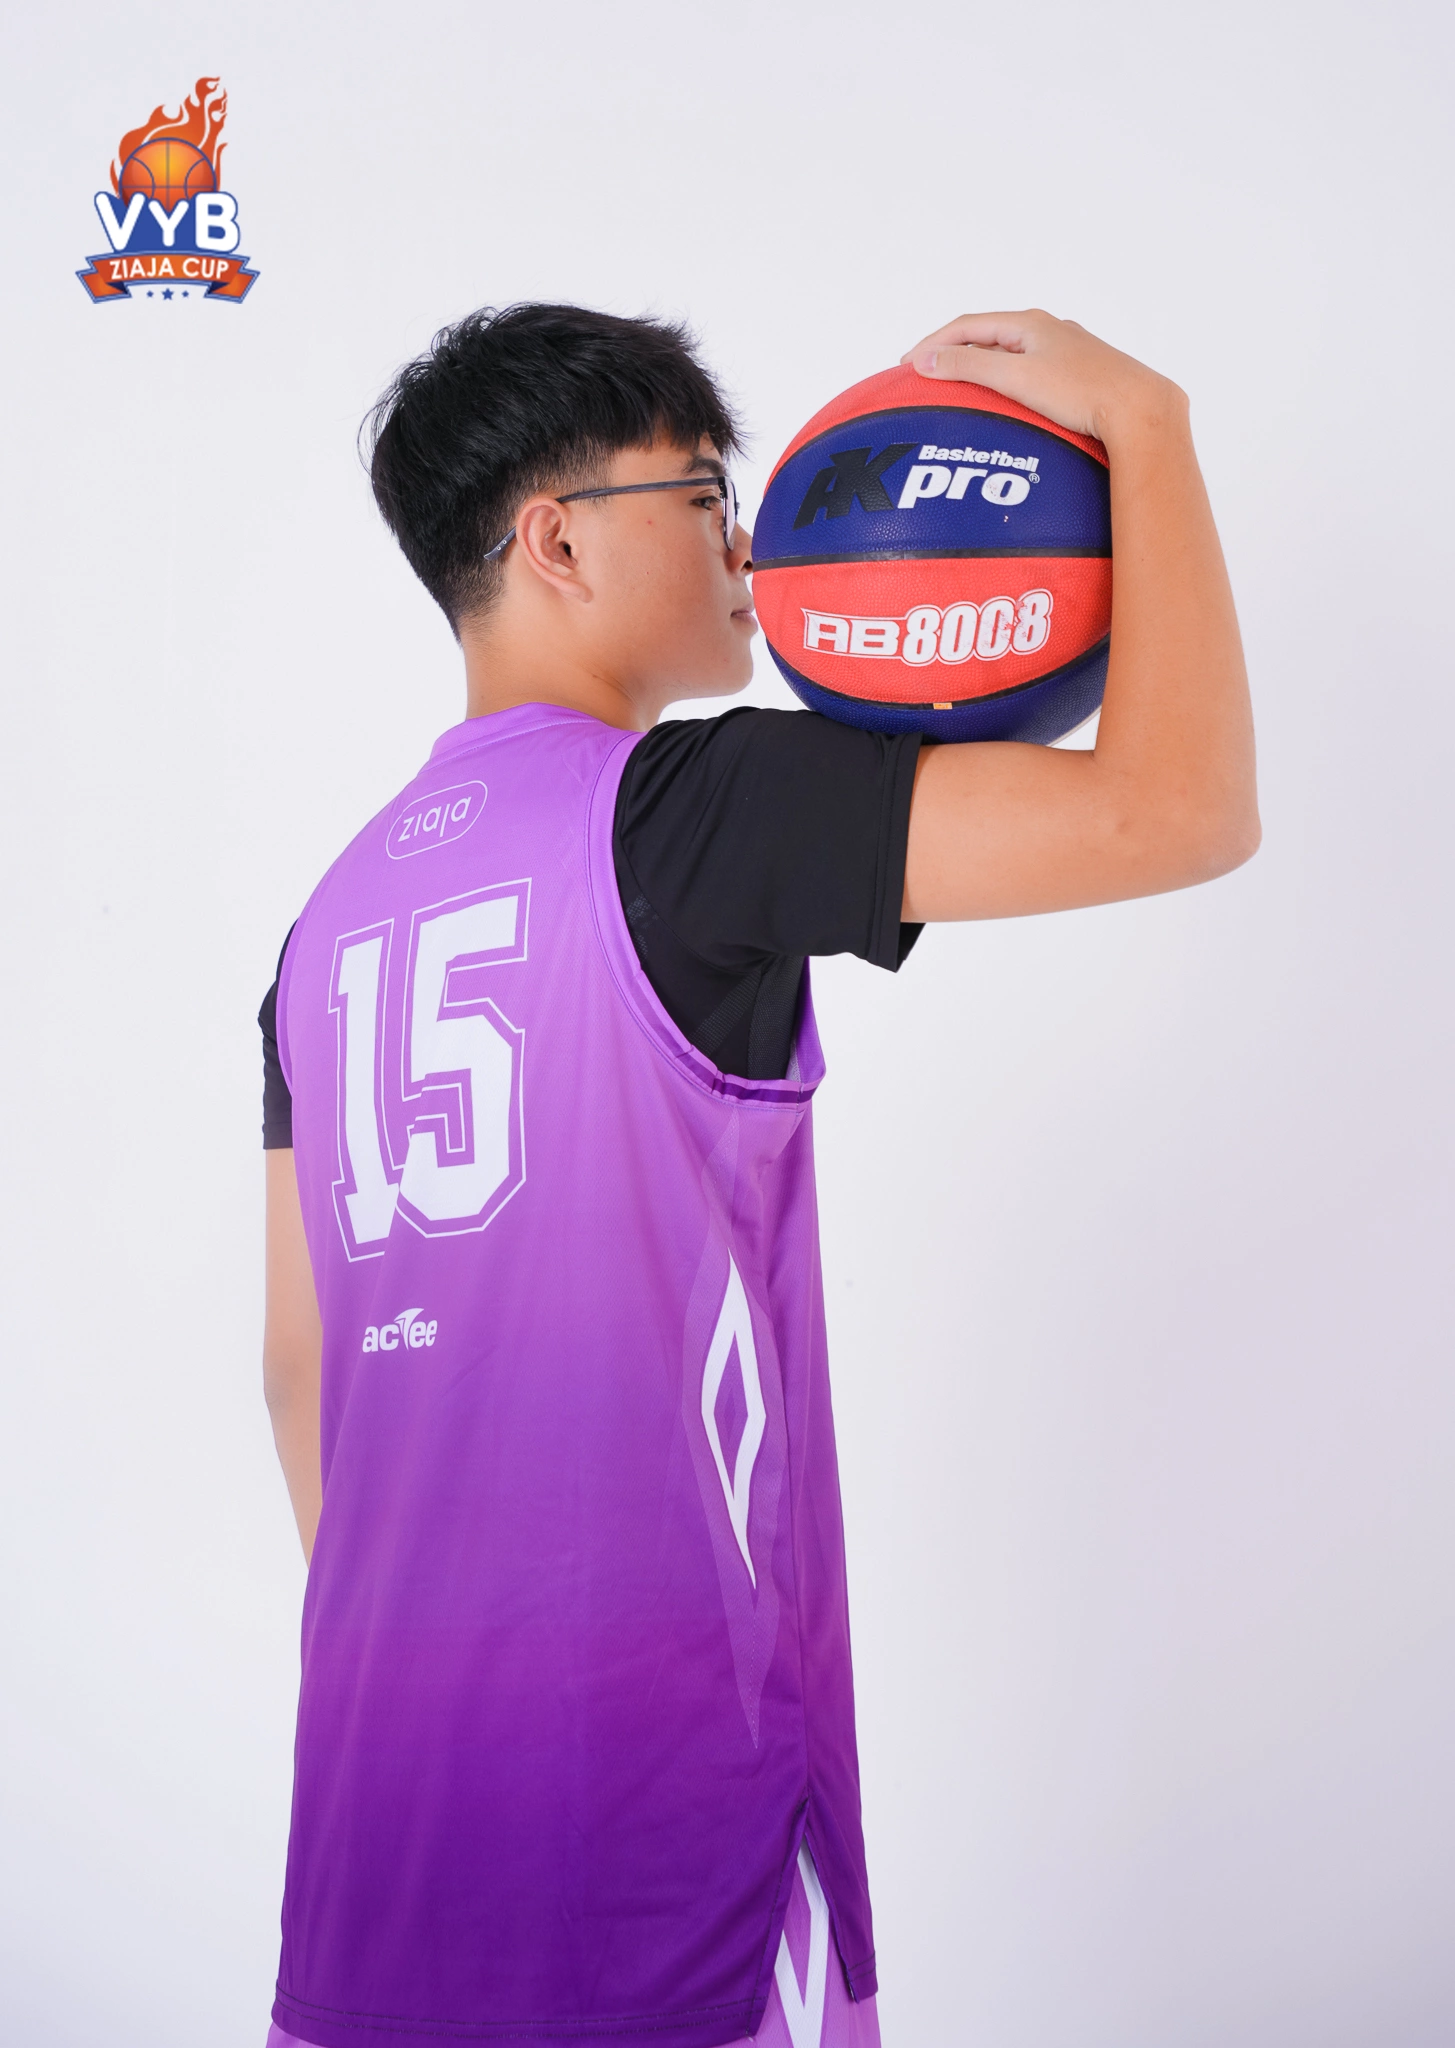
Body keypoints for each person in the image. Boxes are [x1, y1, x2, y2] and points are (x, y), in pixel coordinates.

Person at [257, 303, 1257, 2048]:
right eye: (707, 492)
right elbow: (1178, 809)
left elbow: (298, 1372)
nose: (750, 545)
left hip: (374, 1831)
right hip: (657, 1843)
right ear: (557, 539)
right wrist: (1149, 427)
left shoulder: (321, 928)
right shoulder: (693, 810)